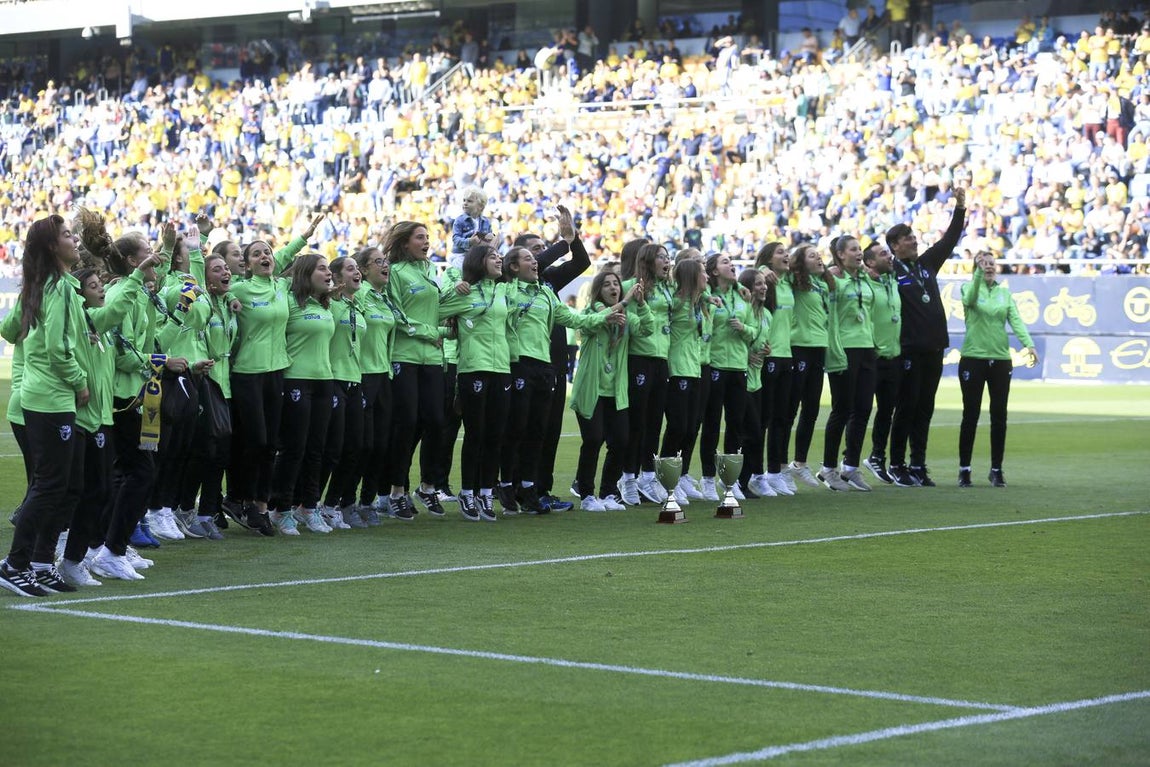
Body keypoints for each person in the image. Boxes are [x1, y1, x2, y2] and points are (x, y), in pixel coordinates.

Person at [0, 215, 90, 596]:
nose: (75, 239)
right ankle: (15, 564)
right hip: (51, 397)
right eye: (68, 234)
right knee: (51, 484)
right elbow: (56, 349)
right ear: (53, 247)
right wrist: (79, 381)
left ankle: (38, 562)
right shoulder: (59, 289)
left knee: (61, 484)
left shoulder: (44, 286)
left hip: (39, 395)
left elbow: (7, 330)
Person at [886, 186, 966, 487]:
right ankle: (897, 463)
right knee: (906, 407)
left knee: (925, 408)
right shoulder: (890, 271)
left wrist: (960, 207)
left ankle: (918, 463)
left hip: (934, 347)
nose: (914, 239)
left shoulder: (927, 264)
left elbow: (950, 239)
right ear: (895, 245)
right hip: (908, 349)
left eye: (913, 236)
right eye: (907, 237)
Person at [267, 253, 337, 535]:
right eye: (321, 268)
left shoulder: (325, 306)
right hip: (295, 380)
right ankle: (280, 509)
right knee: (293, 449)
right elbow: (276, 279)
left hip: (324, 380)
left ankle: (309, 506)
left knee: (316, 449)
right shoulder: (290, 302)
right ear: (306, 274)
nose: (328, 272)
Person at [570, 271, 649, 511]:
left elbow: (647, 329)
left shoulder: (627, 315)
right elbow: (586, 325)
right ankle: (586, 495)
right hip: (591, 389)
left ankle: (607, 493)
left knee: (621, 441)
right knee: (593, 440)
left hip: (616, 391)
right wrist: (622, 304)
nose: (613, 287)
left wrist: (642, 304)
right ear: (598, 290)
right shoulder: (592, 313)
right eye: (607, 284)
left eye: (616, 283)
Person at [958, 253, 1038, 487]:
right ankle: (965, 469)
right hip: (973, 357)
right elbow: (970, 299)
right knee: (970, 415)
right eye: (983, 263)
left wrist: (1028, 344)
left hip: (1001, 359)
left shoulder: (1005, 294)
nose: (989, 266)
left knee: (999, 415)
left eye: (992, 263)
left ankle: (996, 469)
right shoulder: (968, 288)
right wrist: (977, 274)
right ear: (976, 268)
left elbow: (1016, 321)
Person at [819, 235, 877, 492]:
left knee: (863, 408)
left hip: (867, 348)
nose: (859, 253)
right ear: (840, 255)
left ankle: (851, 467)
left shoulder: (864, 278)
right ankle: (828, 468)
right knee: (841, 409)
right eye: (853, 250)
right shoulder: (833, 279)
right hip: (844, 349)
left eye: (859, 249)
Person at [619, 243, 674, 506]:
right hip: (639, 358)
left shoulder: (667, 287)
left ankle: (647, 476)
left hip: (662, 358)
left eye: (668, 257)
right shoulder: (632, 284)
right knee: (637, 421)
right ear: (649, 261)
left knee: (654, 422)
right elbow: (632, 323)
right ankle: (627, 477)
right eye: (662, 257)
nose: (667, 261)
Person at [698, 252, 754, 501]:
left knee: (736, 425)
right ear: (713, 271)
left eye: (732, 261)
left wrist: (745, 329)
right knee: (711, 424)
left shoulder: (742, 296)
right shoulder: (707, 296)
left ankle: (730, 479)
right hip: (716, 366)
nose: (732, 264)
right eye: (725, 262)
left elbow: (754, 330)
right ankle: (708, 478)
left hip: (739, 367)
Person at [351, 247, 397, 527]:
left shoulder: (384, 299)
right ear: (363, 270)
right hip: (362, 375)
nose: (385, 265)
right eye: (378, 262)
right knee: (361, 445)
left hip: (384, 375)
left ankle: (366, 502)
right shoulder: (360, 298)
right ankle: (342, 502)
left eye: (386, 261)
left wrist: (440, 332)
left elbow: (402, 326)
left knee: (381, 445)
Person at [785, 244, 835, 489]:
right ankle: (779, 467)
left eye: (819, 254)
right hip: (799, 348)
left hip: (818, 349)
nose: (819, 258)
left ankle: (799, 463)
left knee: (812, 409)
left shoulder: (823, 285)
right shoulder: (795, 282)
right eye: (813, 255)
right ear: (801, 262)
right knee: (790, 409)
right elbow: (771, 271)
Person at [752, 243, 796, 497]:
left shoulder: (788, 281)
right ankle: (756, 474)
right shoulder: (763, 280)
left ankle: (774, 472)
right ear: (768, 259)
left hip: (786, 355)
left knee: (782, 418)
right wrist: (761, 270)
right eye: (780, 252)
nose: (786, 255)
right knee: (763, 419)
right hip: (768, 355)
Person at [861, 241, 902, 485]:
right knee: (860, 410)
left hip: (893, 357)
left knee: (887, 411)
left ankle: (877, 456)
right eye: (883, 254)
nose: (890, 256)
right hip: (872, 357)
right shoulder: (864, 284)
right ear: (870, 263)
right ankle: (844, 462)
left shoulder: (892, 281)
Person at [450, 186, 493, 269]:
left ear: (480, 206)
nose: (465, 203)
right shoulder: (459, 220)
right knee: (464, 269)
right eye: (464, 200)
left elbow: (490, 239)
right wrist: (469, 242)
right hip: (461, 255)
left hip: (478, 255)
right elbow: (455, 239)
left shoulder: (486, 222)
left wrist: (490, 238)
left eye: (469, 201)